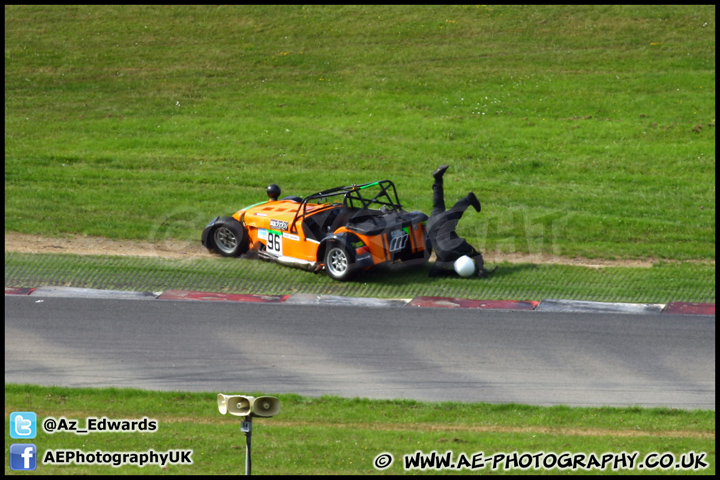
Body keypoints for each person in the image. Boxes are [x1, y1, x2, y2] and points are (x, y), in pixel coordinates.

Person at [426, 165, 491, 278]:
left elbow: (477, 257)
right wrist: (456, 273)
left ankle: (466, 199)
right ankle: (439, 180)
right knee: (439, 205)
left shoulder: (462, 250)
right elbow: (432, 274)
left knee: (454, 212)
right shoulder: (443, 259)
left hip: (441, 224)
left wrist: (479, 271)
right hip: (431, 225)